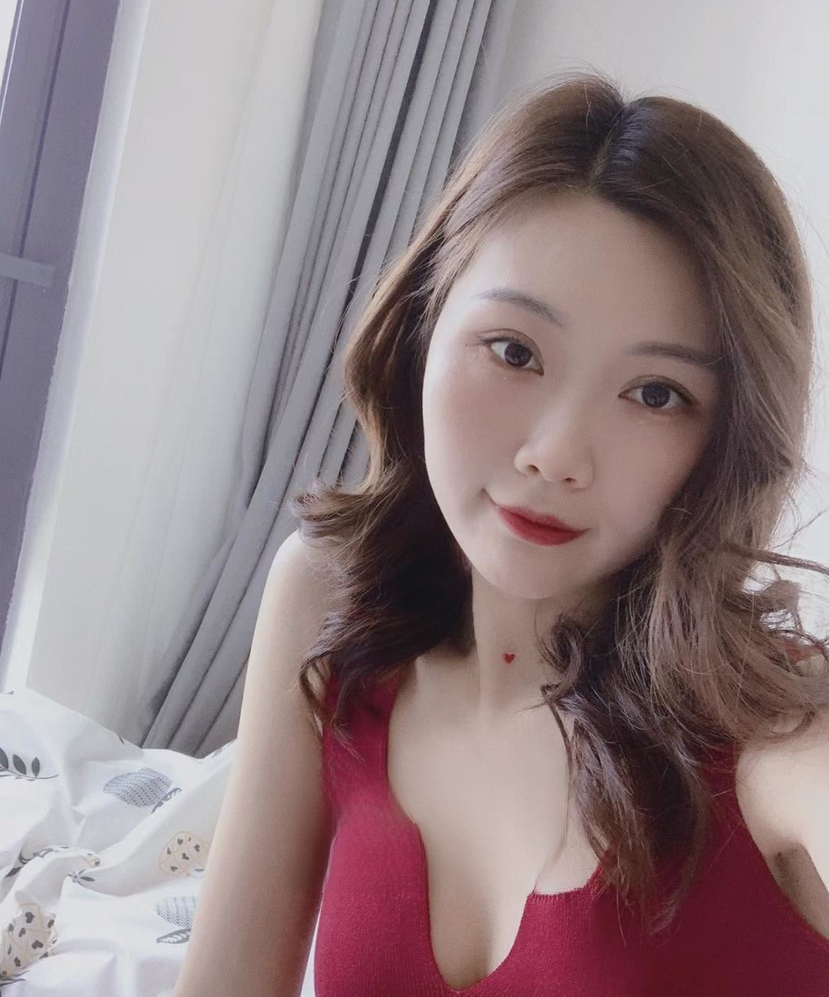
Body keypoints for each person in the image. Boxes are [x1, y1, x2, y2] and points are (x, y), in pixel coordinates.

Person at [173, 71, 829, 996]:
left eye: (655, 394)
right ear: (421, 327)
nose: (556, 454)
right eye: (514, 351)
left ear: (722, 441)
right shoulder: (328, 598)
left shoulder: (775, 735)